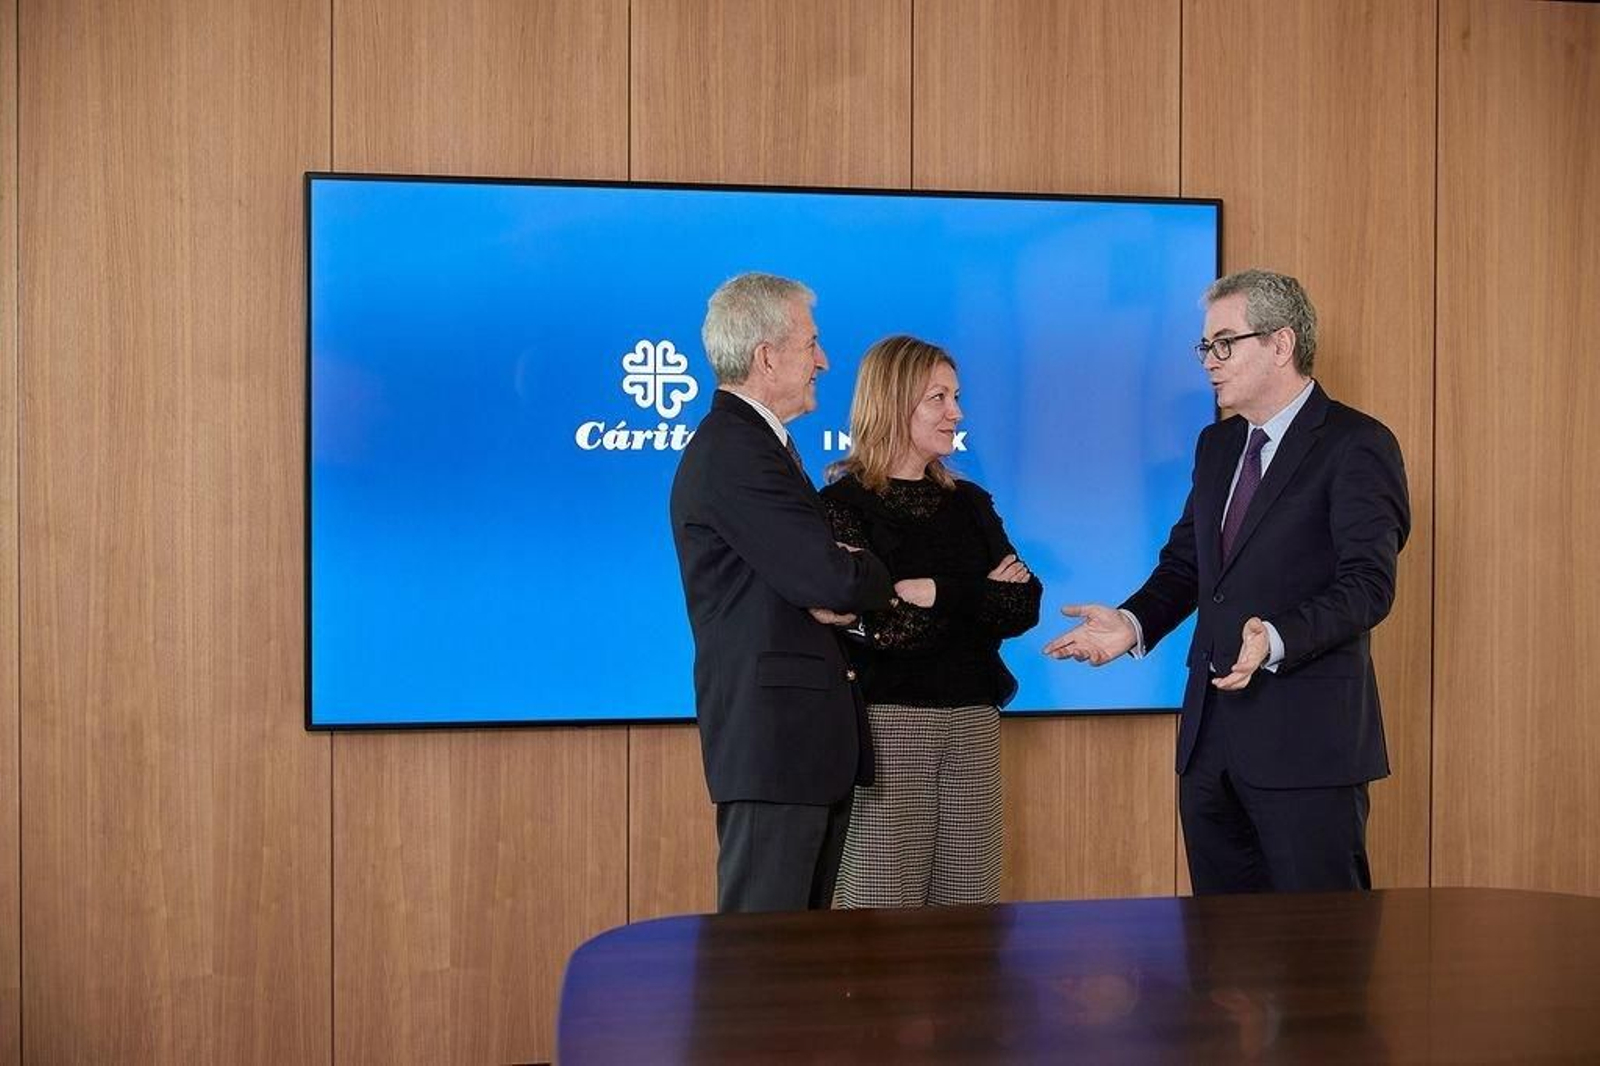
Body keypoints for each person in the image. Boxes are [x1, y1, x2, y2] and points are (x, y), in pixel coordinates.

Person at [1044, 269, 1410, 895]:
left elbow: (1368, 584)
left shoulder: (1358, 444)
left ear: (1280, 344)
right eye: (1203, 348)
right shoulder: (1215, 445)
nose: (1209, 362)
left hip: (1307, 749)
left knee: (1320, 957)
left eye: (1223, 344)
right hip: (1210, 748)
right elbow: (1188, 566)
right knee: (1221, 962)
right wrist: (1131, 624)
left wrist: (1275, 638)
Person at [670, 272, 895, 913]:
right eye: (812, 343)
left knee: (793, 968)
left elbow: (824, 578)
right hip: (775, 750)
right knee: (759, 969)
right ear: (768, 355)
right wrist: (867, 573)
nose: (824, 359)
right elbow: (830, 577)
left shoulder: (759, 445)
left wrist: (847, 575)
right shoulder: (736, 449)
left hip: (794, 750)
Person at [820, 335, 1041, 907]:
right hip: (890, 728)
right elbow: (892, 633)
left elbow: (1024, 605)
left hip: (974, 726)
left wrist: (936, 592)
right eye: (938, 397)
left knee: (971, 919)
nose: (956, 413)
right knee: (880, 918)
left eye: (956, 396)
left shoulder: (970, 503)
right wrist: (977, 599)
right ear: (893, 403)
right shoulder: (843, 505)